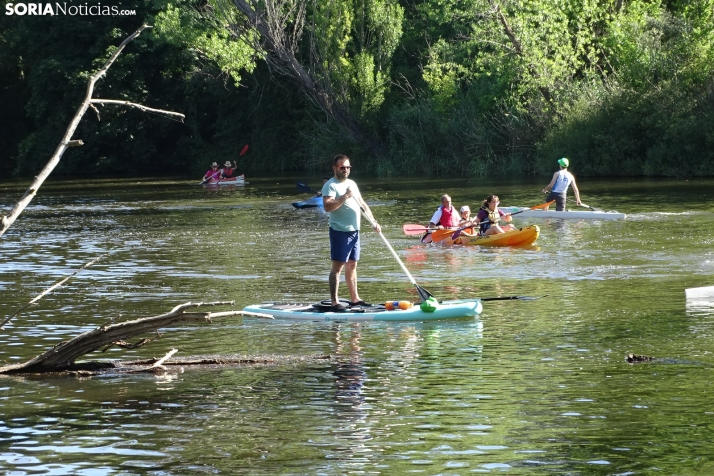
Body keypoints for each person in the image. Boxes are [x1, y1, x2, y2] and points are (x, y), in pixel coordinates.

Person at [322, 154, 381, 311]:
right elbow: (327, 207)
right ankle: (334, 302)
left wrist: (373, 221)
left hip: (355, 230)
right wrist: (345, 197)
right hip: (339, 231)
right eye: (342, 167)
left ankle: (355, 299)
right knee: (338, 267)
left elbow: (362, 204)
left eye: (348, 167)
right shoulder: (330, 185)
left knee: (353, 265)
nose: (346, 170)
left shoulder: (352, 184)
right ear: (335, 168)